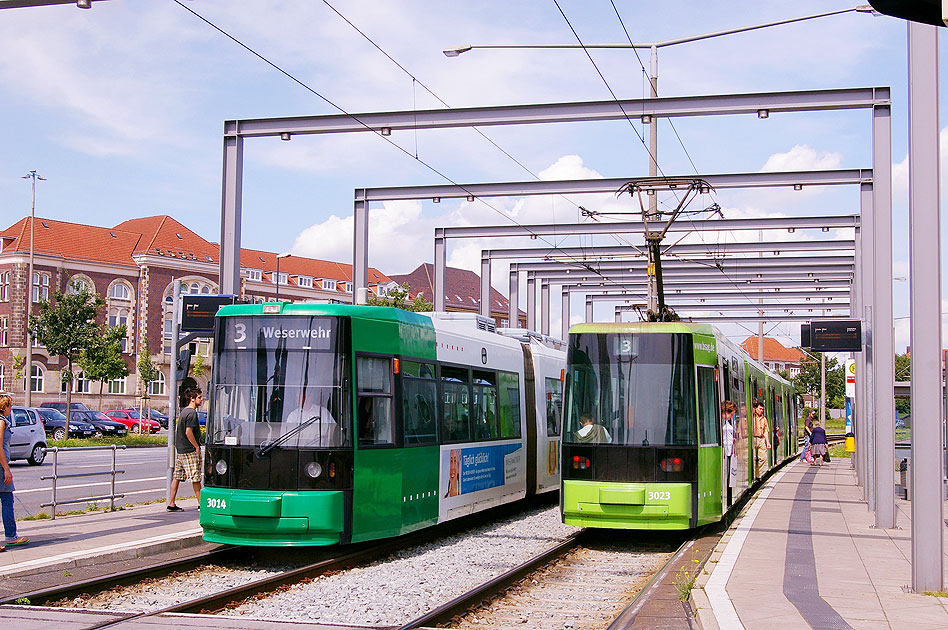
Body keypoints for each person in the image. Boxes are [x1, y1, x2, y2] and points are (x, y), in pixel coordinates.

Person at [0, 394, 29, 549]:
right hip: (0, 466)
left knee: (6, 499)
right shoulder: (1, 422)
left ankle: (11, 534)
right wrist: (6, 469)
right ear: (4, 407)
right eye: (9, 406)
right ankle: (11, 535)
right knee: (7, 500)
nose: (10, 410)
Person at [168, 387, 203, 511]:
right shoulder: (192, 413)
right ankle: (201, 504)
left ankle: (171, 503)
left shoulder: (184, 412)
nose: (201, 399)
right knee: (196, 477)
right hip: (189, 451)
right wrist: (196, 447)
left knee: (177, 477)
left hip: (181, 450)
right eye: (199, 397)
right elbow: (189, 432)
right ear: (192, 399)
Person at [721, 400, 738, 507]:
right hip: (725, 451)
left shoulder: (726, 423)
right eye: (731, 414)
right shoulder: (719, 422)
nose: (732, 416)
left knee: (729, 476)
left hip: (729, 451)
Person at [752, 399, 771, 480]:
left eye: (763, 409)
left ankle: (757, 474)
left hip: (761, 439)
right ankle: (753, 476)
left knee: (763, 458)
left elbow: (766, 431)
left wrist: (768, 442)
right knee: (753, 458)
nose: (761, 410)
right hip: (753, 438)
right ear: (755, 408)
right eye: (760, 408)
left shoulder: (764, 419)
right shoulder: (752, 417)